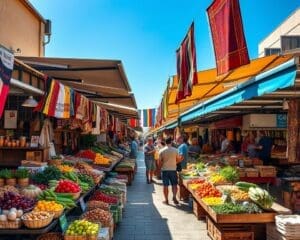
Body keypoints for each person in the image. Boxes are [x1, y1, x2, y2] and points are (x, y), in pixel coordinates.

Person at [158, 137, 179, 205]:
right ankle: (174, 197)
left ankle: (166, 200)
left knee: (165, 185)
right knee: (174, 184)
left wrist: (159, 169)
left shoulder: (161, 150)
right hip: (173, 169)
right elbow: (177, 159)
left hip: (165, 170)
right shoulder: (175, 150)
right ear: (171, 142)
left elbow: (160, 162)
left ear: (165, 142)